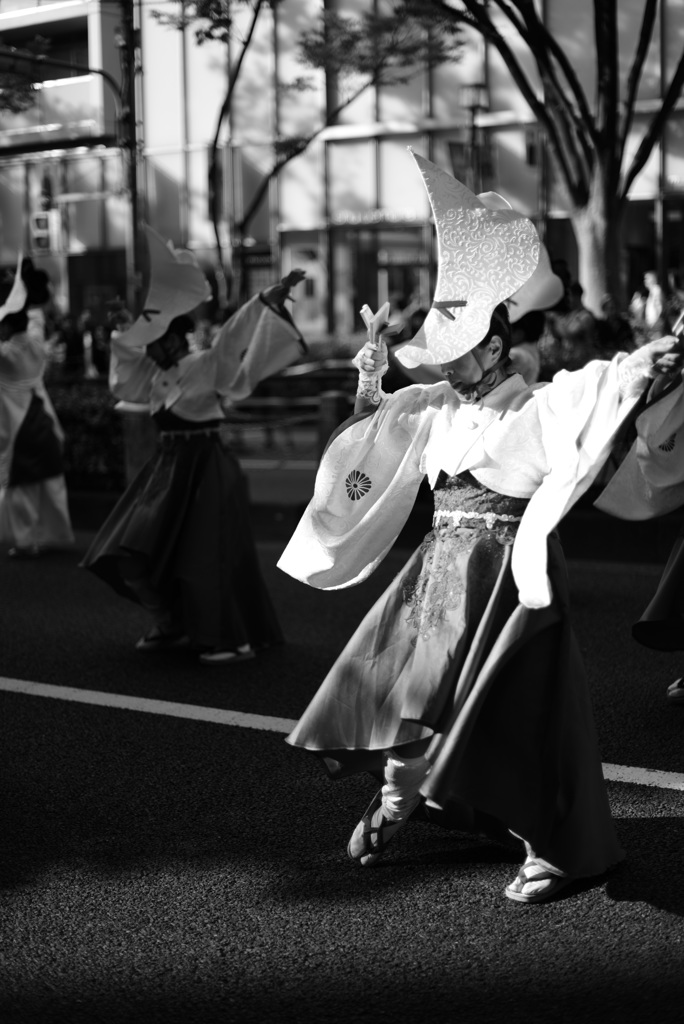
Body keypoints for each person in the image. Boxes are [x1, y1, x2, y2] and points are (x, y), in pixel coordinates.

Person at [277, 152, 684, 904]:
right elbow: (375, 430)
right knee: (408, 694)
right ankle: (403, 793)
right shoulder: (433, 403)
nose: (443, 365)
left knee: (519, 712)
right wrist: (371, 376)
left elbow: (592, 393)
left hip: (506, 581)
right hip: (439, 576)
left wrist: (646, 363)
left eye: (456, 350)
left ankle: (558, 849)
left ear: (495, 346)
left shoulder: (533, 405)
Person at [81, 225, 307, 665]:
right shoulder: (152, 374)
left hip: (205, 469)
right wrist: (125, 334)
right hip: (166, 471)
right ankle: (171, 622)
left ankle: (231, 638)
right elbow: (121, 378)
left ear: (175, 338)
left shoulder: (206, 364)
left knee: (206, 558)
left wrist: (263, 302)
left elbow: (232, 340)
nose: (152, 350)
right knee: (130, 551)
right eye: (149, 345)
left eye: (158, 341)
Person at [0, 256, 74, 558]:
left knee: (21, 487)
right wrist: (24, 289)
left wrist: (17, 289)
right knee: (51, 482)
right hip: (43, 419)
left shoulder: (6, 355)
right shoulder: (34, 338)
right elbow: (37, 317)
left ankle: (25, 540)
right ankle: (54, 536)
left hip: (18, 428)